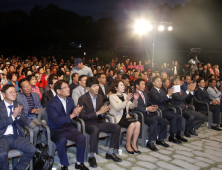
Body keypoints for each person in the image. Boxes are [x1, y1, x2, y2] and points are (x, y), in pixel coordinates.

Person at [78, 77, 122, 168]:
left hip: (99, 122)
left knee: (116, 127)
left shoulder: (100, 97)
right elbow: (83, 116)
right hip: (88, 123)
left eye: (97, 85)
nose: (96, 88)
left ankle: (110, 152)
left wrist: (104, 111)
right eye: (94, 86)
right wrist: (98, 113)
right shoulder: (82, 98)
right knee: (95, 129)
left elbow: (101, 114)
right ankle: (92, 156)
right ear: (88, 88)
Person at [46, 80, 88, 170]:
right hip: (55, 129)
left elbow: (74, 113)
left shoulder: (70, 100)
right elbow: (56, 120)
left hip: (68, 127)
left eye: (68, 87)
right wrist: (72, 115)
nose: (68, 89)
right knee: (62, 140)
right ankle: (64, 165)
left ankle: (79, 162)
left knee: (82, 137)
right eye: (65, 87)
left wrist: (78, 112)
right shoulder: (51, 103)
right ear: (58, 91)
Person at [0, 85, 36, 170]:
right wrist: (13, 116)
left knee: (32, 149)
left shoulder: (18, 105)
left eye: (14, 92)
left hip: (16, 136)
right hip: (2, 137)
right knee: (2, 154)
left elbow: (24, 123)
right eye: (10, 92)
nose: (14, 94)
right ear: (3, 94)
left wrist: (19, 116)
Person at [132, 79, 169, 151]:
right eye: (142, 84)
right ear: (137, 86)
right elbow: (135, 108)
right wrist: (146, 109)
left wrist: (153, 106)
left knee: (164, 121)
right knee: (154, 122)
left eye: (144, 84)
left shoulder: (145, 93)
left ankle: (160, 139)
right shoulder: (133, 94)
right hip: (140, 115)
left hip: (148, 114)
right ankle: (150, 142)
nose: (144, 86)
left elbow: (148, 103)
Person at [150, 76, 187, 144]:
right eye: (158, 81)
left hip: (164, 109)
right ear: (153, 83)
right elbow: (159, 100)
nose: (160, 82)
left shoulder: (162, 91)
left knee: (178, 116)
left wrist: (170, 95)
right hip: (158, 111)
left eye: (160, 81)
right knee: (174, 117)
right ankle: (171, 136)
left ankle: (178, 135)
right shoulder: (152, 91)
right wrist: (168, 95)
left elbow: (167, 100)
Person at [109, 80, 141, 154]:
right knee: (132, 124)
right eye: (121, 85)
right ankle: (127, 144)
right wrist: (126, 101)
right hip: (117, 118)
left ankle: (134, 143)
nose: (123, 86)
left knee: (138, 123)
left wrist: (135, 100)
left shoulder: (125, 95)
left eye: (123, 85)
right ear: (116, 88)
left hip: (126, 117)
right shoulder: (112, 96)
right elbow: (117, 108)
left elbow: (131, 107)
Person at [17, 78, 45, 150]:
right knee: (35, 129)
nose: (28, 88)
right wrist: (30, 111)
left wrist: (40, 110)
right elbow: (20, 111)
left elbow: (40, 106)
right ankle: (32, 145)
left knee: (45, 126)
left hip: (37, 116)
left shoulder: (35, 95)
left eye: (28, 86)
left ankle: (38, 142)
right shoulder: (19, 97)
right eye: (25, 87)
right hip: (26, 117)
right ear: (21, 89)